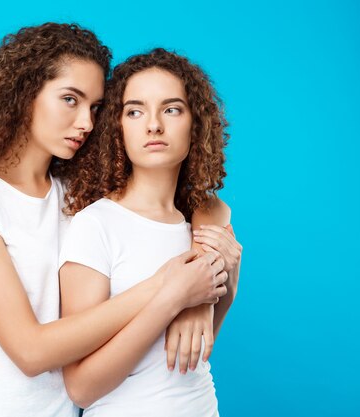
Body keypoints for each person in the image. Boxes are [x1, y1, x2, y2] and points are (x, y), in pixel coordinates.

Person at [0, 24, 228, 416]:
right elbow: (30, 351)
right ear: (23, 95)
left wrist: (198, 292)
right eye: (70, 100)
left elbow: (203, 203)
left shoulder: (75, 190)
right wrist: (168, 288)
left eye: (94, 108)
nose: (86, 122)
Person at [59, 48, 242, 417]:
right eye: (135, 111)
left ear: (196, 123)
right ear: (118, 127)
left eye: (172, 109)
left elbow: (189, 355)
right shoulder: (96, 225)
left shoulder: (202, 223)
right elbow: (80, 388)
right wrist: (173, 299)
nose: (154, 125)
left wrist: (220, 295)